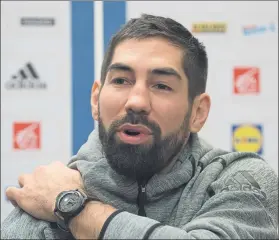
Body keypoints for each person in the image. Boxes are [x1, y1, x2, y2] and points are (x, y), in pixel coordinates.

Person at [1, 14, 278, 239]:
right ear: (96, 99)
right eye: (121, 80)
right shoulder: (42, 200)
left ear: (198, 112)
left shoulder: (241, 181)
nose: (136, 101)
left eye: (161, 85)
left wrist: (75, 209)